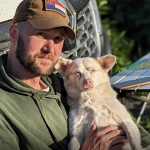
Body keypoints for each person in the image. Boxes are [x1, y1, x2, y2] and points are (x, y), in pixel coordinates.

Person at [0, 0, 149, 150]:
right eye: (41, 34)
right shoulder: (4, 107)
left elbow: (139, 134)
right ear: (13, 34)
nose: (50, 49)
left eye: (58, 38)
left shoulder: (65, 85)